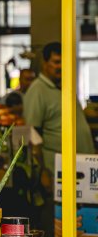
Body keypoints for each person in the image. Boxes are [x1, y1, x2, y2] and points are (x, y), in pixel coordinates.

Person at [24, 42, 95, 174]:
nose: (61, 67)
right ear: (44, 63)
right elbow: (32, 135)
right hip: (57, 171)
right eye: (56, 62)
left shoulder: (65, 87)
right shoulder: (37, 90)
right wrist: (42, 172)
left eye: (64, 62)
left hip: (81, 168)